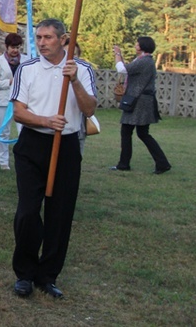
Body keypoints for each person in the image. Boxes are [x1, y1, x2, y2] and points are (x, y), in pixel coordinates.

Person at [10, 19, 97, 299]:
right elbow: (19, 113)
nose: (42, 42)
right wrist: (46, 120)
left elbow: (89, 108)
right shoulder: (27, 69)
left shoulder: (81, 69)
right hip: (33, 145)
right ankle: (24, 273)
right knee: (27, 212)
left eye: (48, 37)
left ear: (64, 39)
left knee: (60, 214)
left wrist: (72, 81)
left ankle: (47, 276)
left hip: (67, 147)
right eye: (39, 37)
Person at [111, 37, 171, 174]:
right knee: (140, 133)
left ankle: (125, 164)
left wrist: (118, 54)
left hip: (138, 101)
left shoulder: (144, 61)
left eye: (137, 43)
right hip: (141, 100)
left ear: (142, 46)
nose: (135, 45)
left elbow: (122, 70)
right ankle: (161, 163)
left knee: (132, 132)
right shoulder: (145, 61)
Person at [0, 33, 29, 170]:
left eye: (18, 47)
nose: (15, 50)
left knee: (23, 131)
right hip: (3, 101)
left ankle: (24, 159)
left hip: (22, 101)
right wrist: (9, 82)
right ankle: (3, 161)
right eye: (12, 47)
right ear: (6, 47)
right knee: (4, 132)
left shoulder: (26, 60)